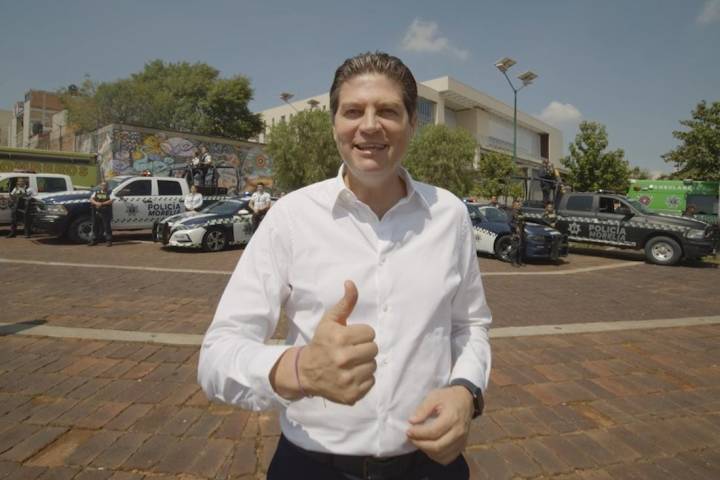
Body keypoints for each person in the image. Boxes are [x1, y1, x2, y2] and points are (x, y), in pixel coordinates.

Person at [198, 52, 491, 480]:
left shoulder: (450, 215)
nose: (369, 125)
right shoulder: (290, 217)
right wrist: (298, 369)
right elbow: (217, 355)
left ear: (412, 123)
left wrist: (466, 390)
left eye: (387, 111)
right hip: (310, 465)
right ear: (334, 123)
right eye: (353, 111)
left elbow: (470, 325)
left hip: (432, 466)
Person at [89, 181, 113, 247]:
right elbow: (91, 199)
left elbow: (111, 201)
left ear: (107, 186)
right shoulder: (96, 192)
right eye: (102, 185)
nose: (104, 186)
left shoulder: (110, 192)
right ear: (100, 186)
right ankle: (94, 240)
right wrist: (96, 203)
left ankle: (109, 241)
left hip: (105, 212)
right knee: (95, 226)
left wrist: (101, 204)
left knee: (107, 226)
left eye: (105, 185)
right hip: (96, 211)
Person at [509, 199, 525, 267]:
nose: (519, 206)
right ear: (514, 205)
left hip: (521, 231)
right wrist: (516, 227)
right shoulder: (512, 213)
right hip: (514, 233)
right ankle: (513, 262)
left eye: (519, 205)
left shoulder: (521, 212)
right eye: (517, 205)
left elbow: (522, 220)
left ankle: (519, 261)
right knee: (515, 247)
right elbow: (509, 222)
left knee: (520, 247)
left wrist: (524, 223)